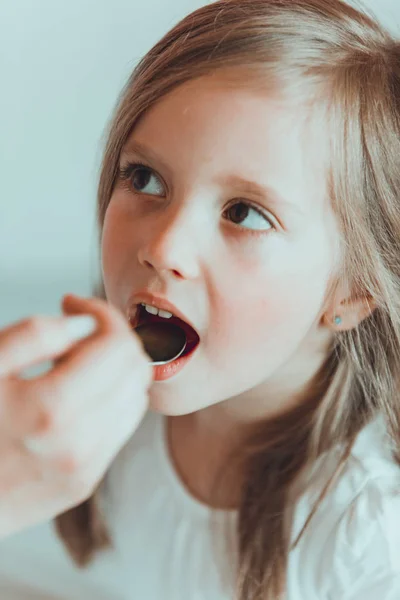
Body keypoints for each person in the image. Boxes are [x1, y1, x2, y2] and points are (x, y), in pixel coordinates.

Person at [0, 0, 400, 598]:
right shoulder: (86, 420)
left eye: (244, 213)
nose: (164, 248)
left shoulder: (369, 543)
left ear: (352, 291)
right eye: (144, 178)